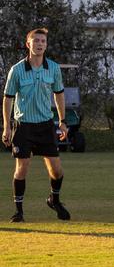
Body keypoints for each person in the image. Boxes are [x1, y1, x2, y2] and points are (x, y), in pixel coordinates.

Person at [2, 28, 71, 223]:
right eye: (36, 41)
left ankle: (54, 200)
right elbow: (7, 99)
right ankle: (19, 212)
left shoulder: (53, 68)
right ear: (28, 44)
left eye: (43, 41)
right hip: (23, 126)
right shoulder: (17, 70)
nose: (40, 44)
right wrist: (6, 126)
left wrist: (63, 121)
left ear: (46, 45)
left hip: (46, 125)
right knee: (22, 168)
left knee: (57, 170)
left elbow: (59, 94)